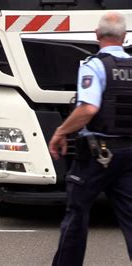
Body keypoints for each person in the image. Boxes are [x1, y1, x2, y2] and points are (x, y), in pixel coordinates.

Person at [48, 12, 132, 265]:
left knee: (77, 213)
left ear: (97, 36)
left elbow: (88, 109)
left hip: (97, 155)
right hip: (129, 154)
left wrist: (61, 132)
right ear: (125, 37)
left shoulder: (94, 65)